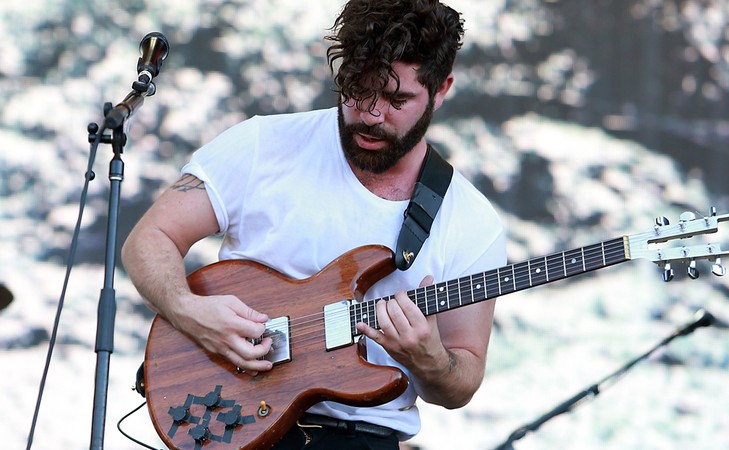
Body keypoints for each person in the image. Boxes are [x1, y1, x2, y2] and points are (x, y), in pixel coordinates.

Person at [121, 0, 506, 448]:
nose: (372, 113)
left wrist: (431, 360)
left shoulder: (472, 221)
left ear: (441, 90)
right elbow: (148, 239)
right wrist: (189, 311)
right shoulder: (264, 144)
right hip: (235, 424)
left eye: (397, 99)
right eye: (358, 90)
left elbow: (461, 381)